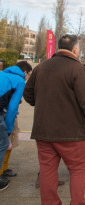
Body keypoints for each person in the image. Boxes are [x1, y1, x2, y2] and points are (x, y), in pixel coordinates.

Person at [23, 34, 85, 204]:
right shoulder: (77, 68)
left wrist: (43, 104)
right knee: (78, 169)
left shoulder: (41, 67)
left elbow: (28, 94)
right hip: (71, 133)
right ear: (75, 49)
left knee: (47, 171)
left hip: (43, 131)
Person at [0, 61, 32, 191]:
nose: (27, 77)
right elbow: (13, 109)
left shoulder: (2, 74)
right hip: (3, 113)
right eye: (28, 75)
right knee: (3, 144)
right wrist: (8, 128)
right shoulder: (19, 81)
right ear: (24, 72)